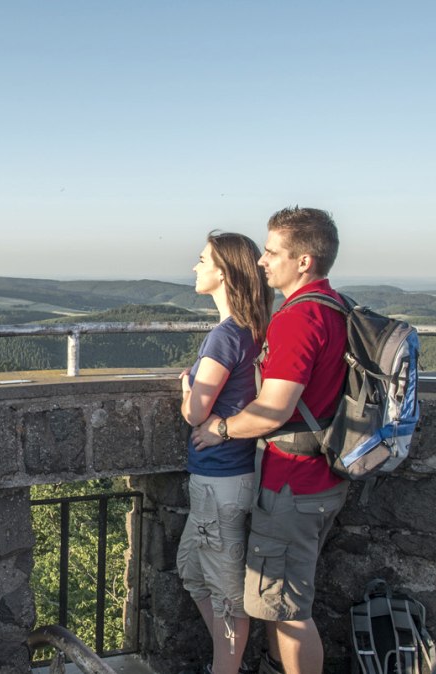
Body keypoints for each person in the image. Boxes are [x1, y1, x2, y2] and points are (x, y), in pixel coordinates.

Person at [190, 207, 347, 674]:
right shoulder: (336, 307)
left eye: (273, 251)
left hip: (293, 484)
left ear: (303, 261)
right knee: (282, 606)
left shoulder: (298, 319)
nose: (263, 261)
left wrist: (218, 428)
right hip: (322, 477)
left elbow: (274, 408)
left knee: (290, 612)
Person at [176, 230, 273, 674]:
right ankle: (227, 661)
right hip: (225, 480)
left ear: (223, 273)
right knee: (192, 572)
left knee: (227, 597)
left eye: (201, 260)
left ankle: (226, 669)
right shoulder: (254, 329)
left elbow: (196, 413)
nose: (194, 267)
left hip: (220, 482)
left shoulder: (225, 335)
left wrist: (185, 388)